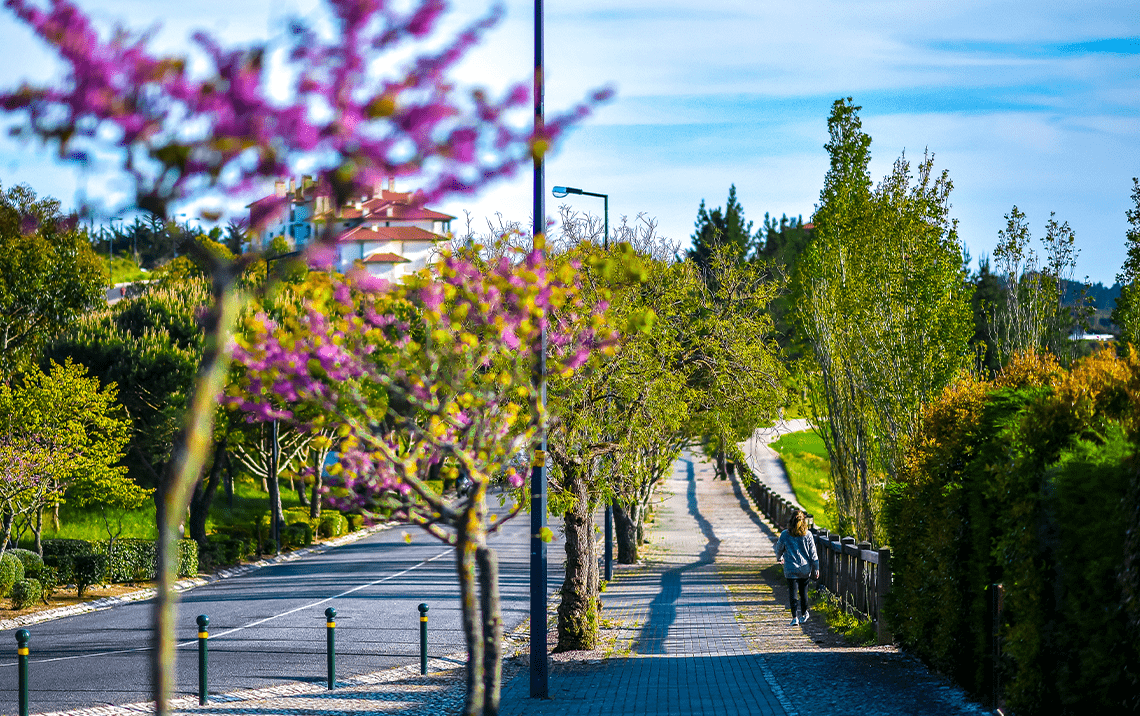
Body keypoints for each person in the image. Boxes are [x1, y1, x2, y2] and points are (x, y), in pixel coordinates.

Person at [774, 510, 819, 626]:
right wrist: (816, 567)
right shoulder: (808, 535)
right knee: (804, 592)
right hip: (805, 568)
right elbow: (813, 553)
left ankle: (795, 617)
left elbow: (779, 548)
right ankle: (804, 614)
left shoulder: (785, 534)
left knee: (793, 593)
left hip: (790, 568)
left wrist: (779, 558)